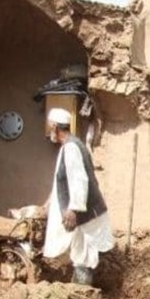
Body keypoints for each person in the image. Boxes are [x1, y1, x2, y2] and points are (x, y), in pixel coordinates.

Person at [42, 108, 114, 285]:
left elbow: (79, 180)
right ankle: (80, 292)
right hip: (86, 212)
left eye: (50, 127)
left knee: (83, 255)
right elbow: (62, 182)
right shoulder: (73, 145)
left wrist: (74, 208)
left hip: (84, 213)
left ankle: (83, 295)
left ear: (55, 127)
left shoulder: (71, 148)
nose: (50, 130)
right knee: (80, 253)